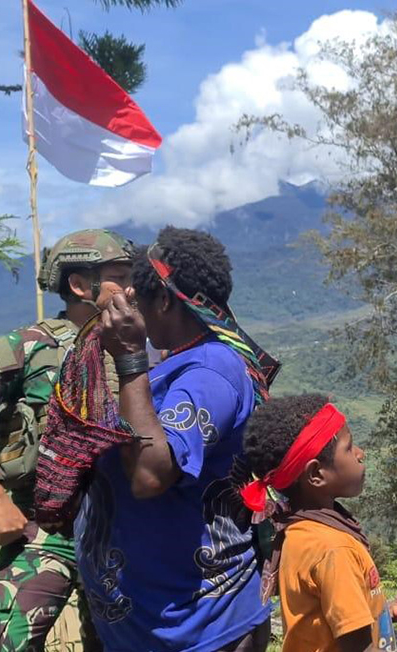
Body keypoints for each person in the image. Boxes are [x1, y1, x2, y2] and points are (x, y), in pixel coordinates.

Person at [77, 226, 272, 651]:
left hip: (201, 631)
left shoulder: (210, 371)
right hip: (154, 629)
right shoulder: (182, 365)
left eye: (140, 299)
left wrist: (129, 357)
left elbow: (150, 474)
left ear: (163, 300)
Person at [0, 229, 134, 651]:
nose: (130, 288)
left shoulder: (136, 348)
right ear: (79, 285)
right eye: (118, 277)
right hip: (40, 532)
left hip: (119, 535)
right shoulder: (29, 346)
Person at [241, 395, 397, 652]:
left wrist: (390, 611)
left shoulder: (301, 532)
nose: (360, 454)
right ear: (316, 474)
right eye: (349, 447)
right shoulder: (334, 549)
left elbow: (330, 625)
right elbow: (357, 646)